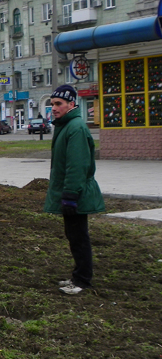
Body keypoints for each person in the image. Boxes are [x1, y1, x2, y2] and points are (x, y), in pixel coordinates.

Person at [44, 84, 105, 296]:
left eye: (58, 104)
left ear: (71, 104)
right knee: (74, 235)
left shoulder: (76, 127)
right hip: (72, 194)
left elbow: (76, 166)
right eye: (52, 104)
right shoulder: (67, 126)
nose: (54, 108)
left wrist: (70, 195)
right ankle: (78, 275)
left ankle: (82, 281)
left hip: (76, 195)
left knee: (79, 237)